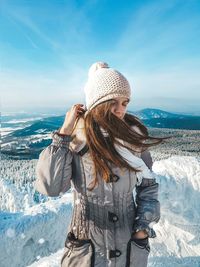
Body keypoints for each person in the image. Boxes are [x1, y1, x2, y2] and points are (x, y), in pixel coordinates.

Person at [34, 62, 166, 267]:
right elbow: (50, 187)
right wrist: (63, 135)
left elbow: (148, 186)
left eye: (125, 102)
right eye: (112, 101)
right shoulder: (77, 142)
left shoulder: (133, 140)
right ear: (96, 103)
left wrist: (142, 228)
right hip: (87, 252)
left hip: (129, 251)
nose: (120, 109)